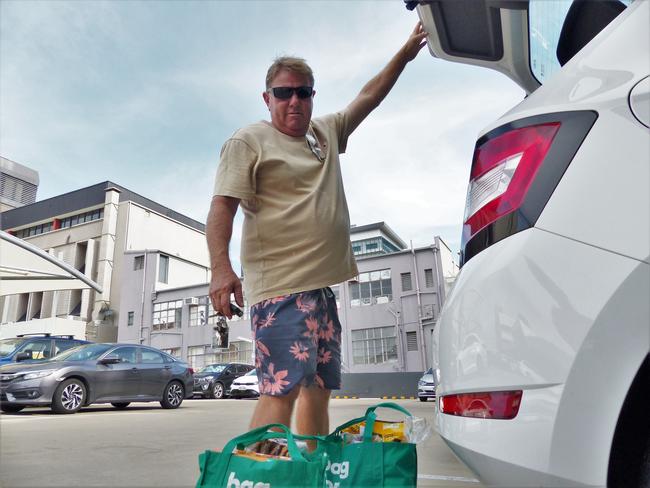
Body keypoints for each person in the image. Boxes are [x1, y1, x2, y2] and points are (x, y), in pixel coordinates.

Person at [207, 23, 428, 438]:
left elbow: (369, 96)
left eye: (303, 92)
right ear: (267, 98)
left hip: (321, 290)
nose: (294, 100)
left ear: (312, 96)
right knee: (281, 390)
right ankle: (258, 479)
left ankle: (309, 471)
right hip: (281, 289)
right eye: (284, 92)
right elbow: (223, 206)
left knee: (318, 390)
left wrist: (405, 54)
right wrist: (220, 268)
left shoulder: (323, 133)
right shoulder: (249, 141)